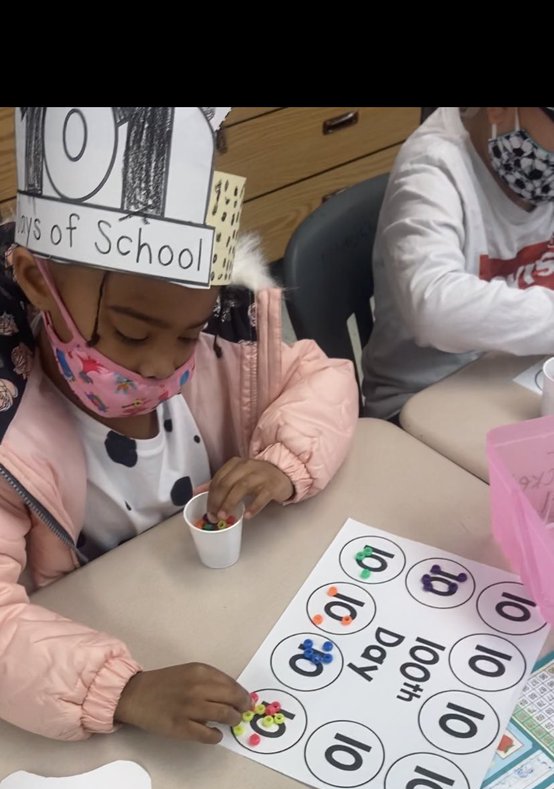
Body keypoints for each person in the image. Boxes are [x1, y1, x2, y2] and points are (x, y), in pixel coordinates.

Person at [0, 106, 358, 744]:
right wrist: (122, 690)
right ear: (35, 280)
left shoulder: (226, 348)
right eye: (133, 332)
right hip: (110, 642)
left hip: (234, 613)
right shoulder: (10, 438)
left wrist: (285, 461)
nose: (165, 365)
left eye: (188, 333)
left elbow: (324, 378)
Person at [362, 107, 554, 419]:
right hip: (424, 399)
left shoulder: (540, 157)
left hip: (514, 374)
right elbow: (434, 308)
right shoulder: (431, 167)